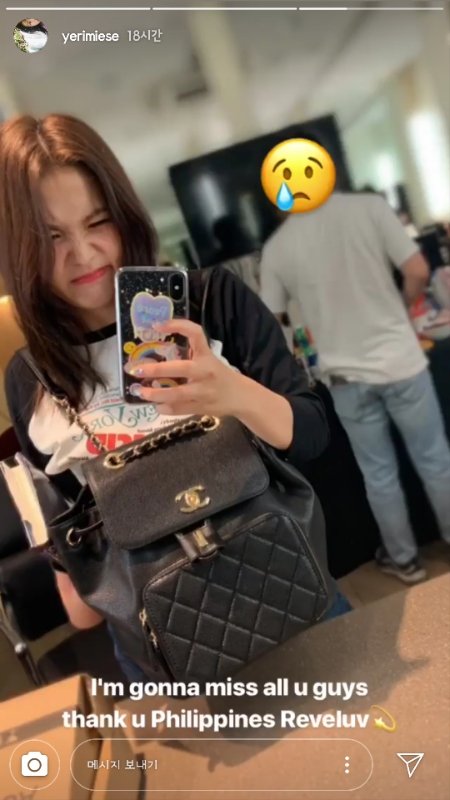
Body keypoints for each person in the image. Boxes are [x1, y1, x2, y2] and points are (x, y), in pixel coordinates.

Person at [0, 114, 349, 683]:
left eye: (97, 221)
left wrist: (234, 393)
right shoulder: (30, 377)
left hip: (288, 595)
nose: (83, 253)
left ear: (124, 213)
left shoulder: (212, 302)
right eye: (50, 237)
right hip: (159, 655)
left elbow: (312, 433)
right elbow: (74, 560)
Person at [261, 190, 450, 584]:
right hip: (402, 361)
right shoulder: (369, 208)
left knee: (378, 474)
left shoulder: (277, 248)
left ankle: (405, 561)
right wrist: (400, 308)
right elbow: (417, 270)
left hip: (345, 380)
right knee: (436, 461)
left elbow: (272, 321)